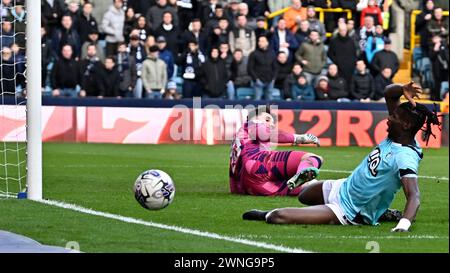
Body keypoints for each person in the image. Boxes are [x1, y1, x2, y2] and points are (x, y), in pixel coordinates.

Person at [243, 82, 441, 232]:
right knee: (304, 195)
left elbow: (414, 195)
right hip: (344, 186)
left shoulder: (405, 156)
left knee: (277, 216)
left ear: (406, 125)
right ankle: (380, 210)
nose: (389, 118)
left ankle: (370, 213)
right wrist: (402, 88)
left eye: (394, 117)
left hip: (350, 209)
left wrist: (403, 224)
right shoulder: (397, 133)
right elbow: (389, 93)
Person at [230, 105, 322, 196]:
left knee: (306, 187)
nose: (271, 124)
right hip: (258, 164)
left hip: (249, 186)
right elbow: (264, 134)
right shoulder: (252, 123)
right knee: (313, 158)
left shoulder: (239, 137)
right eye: (267, 119)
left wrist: (238, 188)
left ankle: (314, 183)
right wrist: (299, 138)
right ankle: (302, 174)